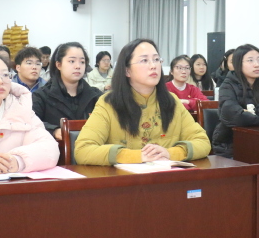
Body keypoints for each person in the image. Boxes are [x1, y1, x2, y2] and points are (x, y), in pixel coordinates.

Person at [75, 39, 211, 165]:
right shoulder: (109, 103)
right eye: (144, 60)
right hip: (126, 180)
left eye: (156, 59)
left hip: (166, 177)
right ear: (127, 70)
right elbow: (83, 150)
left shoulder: (172, 101)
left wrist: (171, 153)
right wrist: (138, 156)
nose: (153, 66)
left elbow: (202, 141)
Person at [212, 44, 259, 158]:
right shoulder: (227, 86)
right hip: (232, 146)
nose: (256, 64)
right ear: (238, 63)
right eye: (250, 60)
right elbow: (236, 116)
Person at [32, 42, 103, 139]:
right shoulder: (41, 96)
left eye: (82, 62)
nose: (78, 66)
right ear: (59, 65)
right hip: (55, 146)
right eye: (72, 61)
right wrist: (53, 131)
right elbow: (32, 124)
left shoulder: (96, 96)